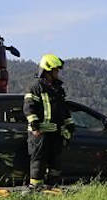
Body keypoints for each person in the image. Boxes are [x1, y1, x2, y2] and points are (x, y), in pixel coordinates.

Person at [23, 54, 74, 190]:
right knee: (38, 162)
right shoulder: (35, 87)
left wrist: (69, 125)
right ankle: (35, 189)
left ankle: (52, 188)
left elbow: (63, 109)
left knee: (55, 163)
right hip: (39, 135)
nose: (57, 73)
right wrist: (35, 126)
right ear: (48, 71)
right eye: (56, 70)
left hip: (55, 134)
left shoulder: (57, 89)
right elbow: (29, 107)